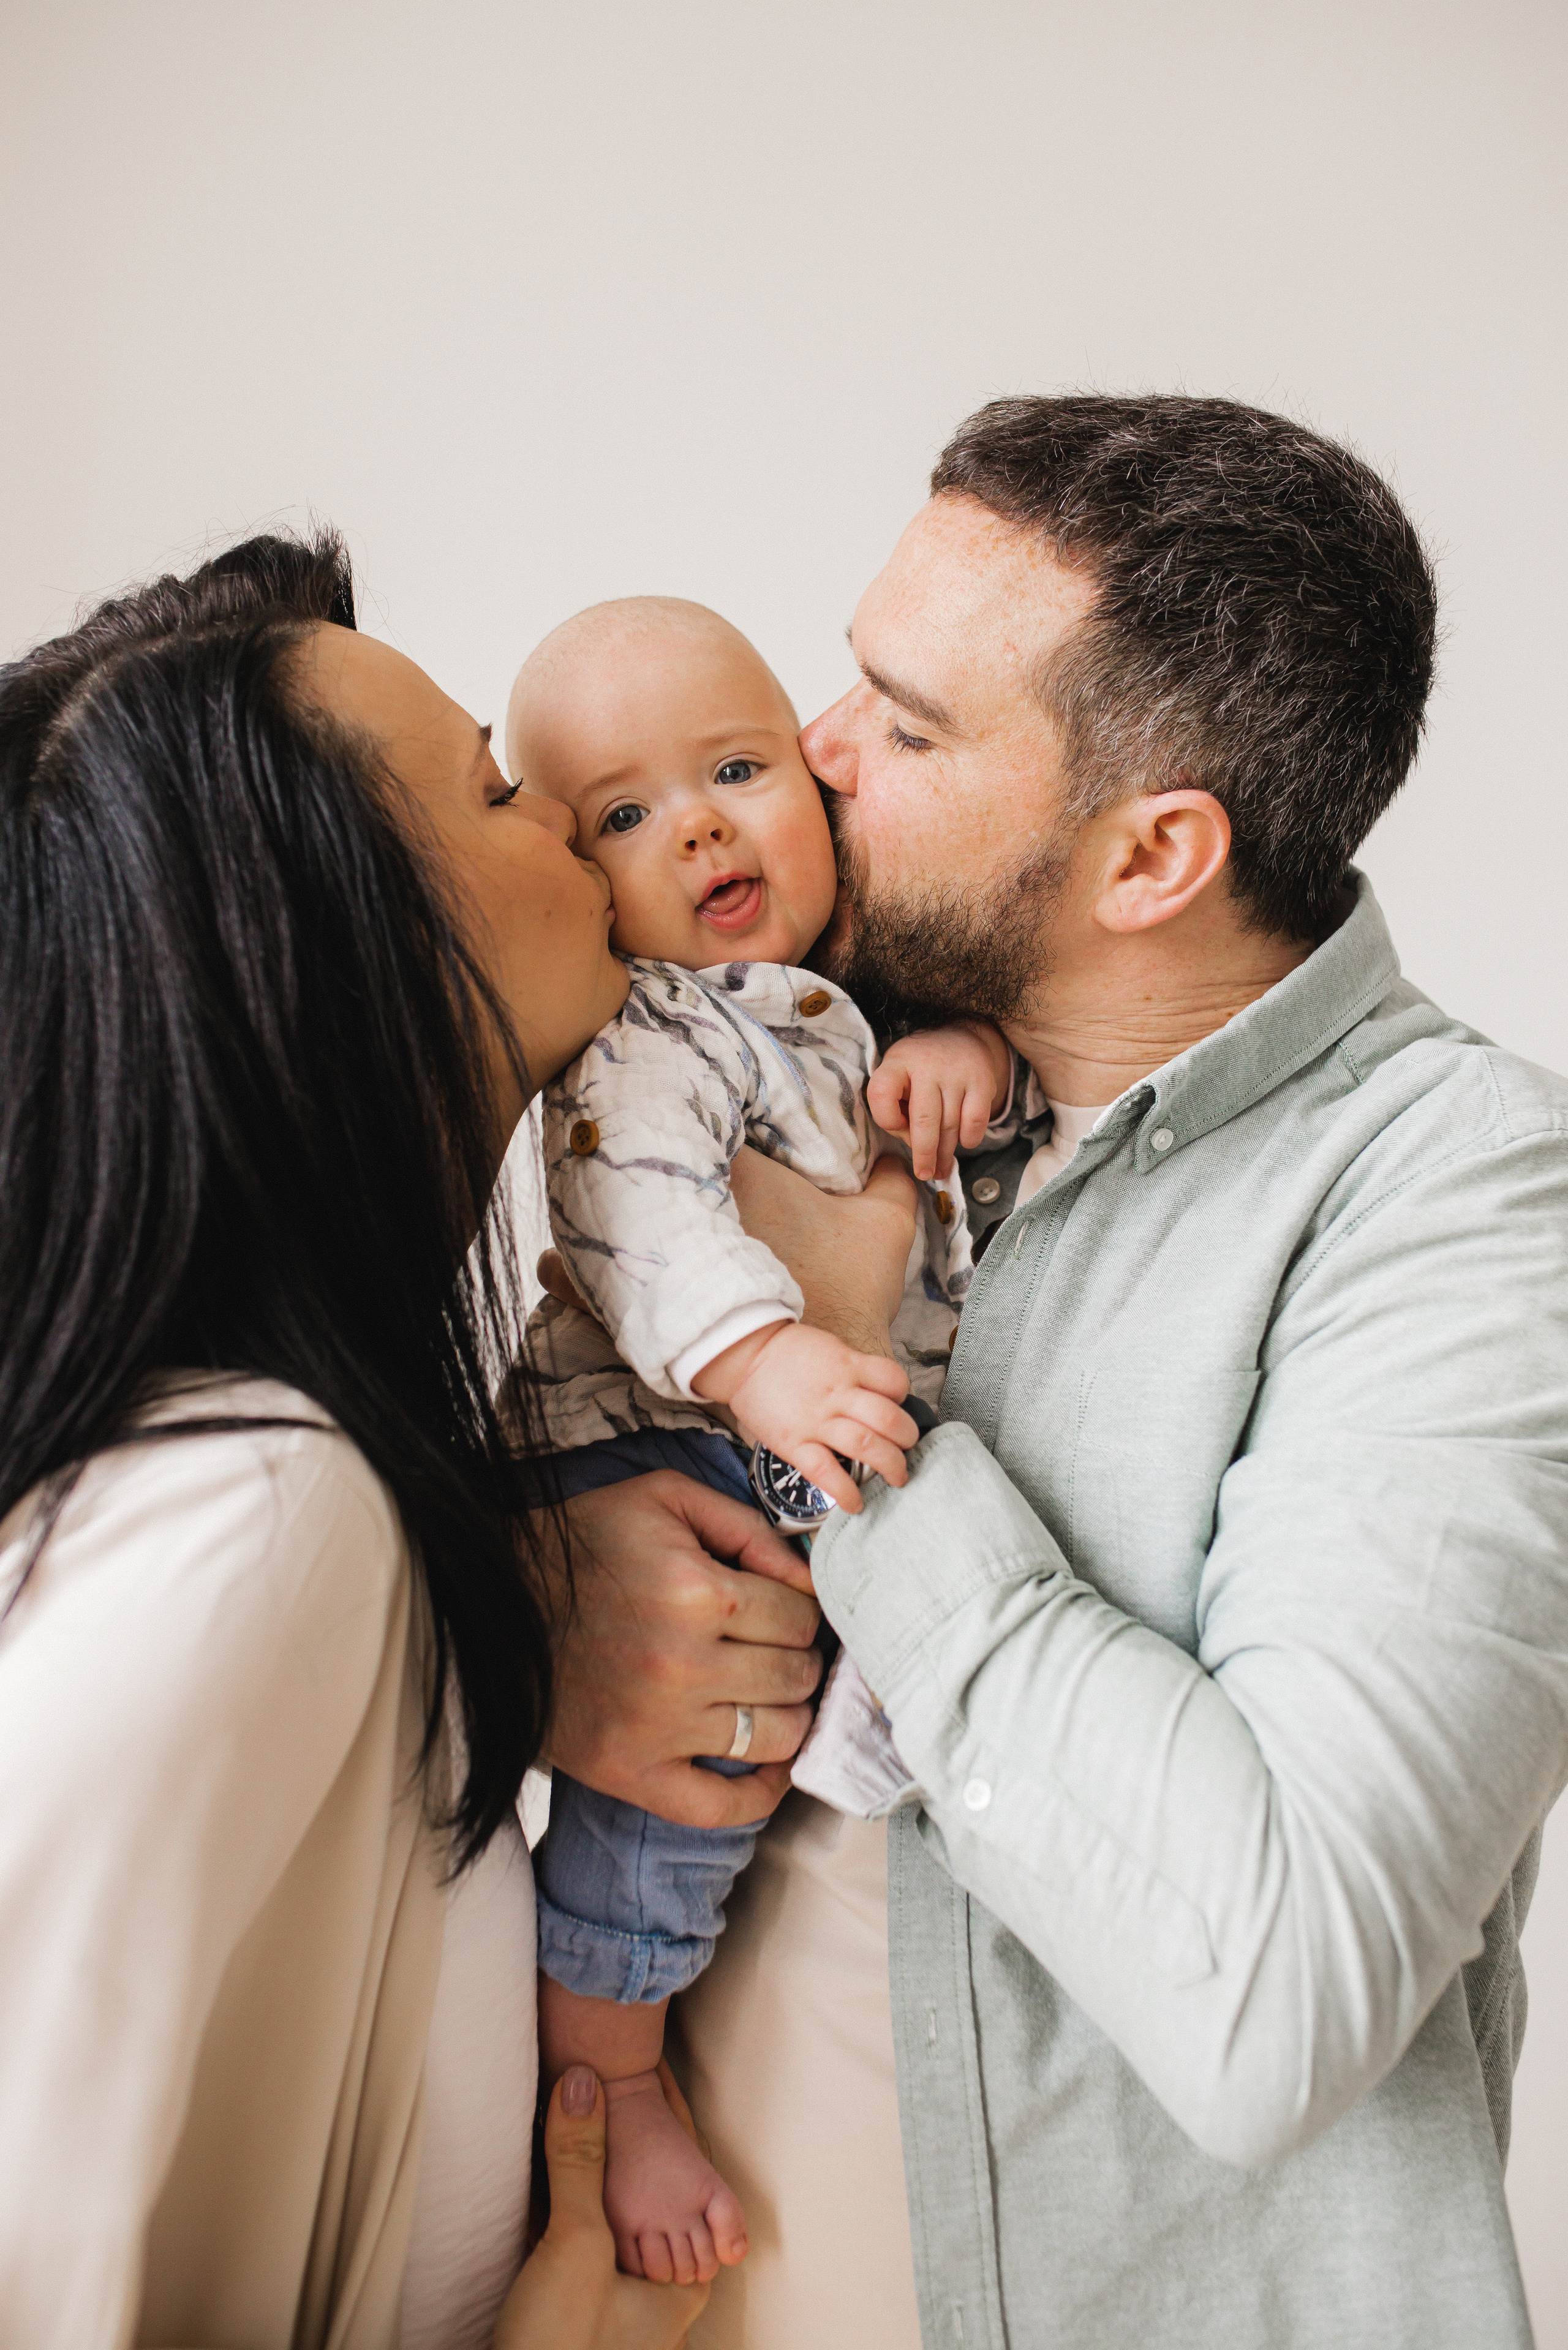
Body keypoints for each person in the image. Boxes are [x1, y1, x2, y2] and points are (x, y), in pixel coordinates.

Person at [668, 395, 1568, 2350]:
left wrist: (848, 1414)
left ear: (1155, 854)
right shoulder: (802, 1070)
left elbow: (1280, 1994)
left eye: (907, 731)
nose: (815, 756)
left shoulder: (1470, 1199)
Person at [0, 532, 854, 2350]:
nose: (566, 822)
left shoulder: (319, 1464)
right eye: (499, 791)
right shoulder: (252, 1510)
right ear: (340, 946)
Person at [502, 597, 1006, 2286]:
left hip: (793, 1432)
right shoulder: (642, 1039)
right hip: (661, 1425)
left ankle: (861, 1712)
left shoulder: (842, 993)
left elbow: (923, 1099)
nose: (702, 824)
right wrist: (768, 1354)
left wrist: (956, 1051)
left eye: (735, 767)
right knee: (679, 1794)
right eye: (626, 815)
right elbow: (636, 1214)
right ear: (587, 884)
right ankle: (615, 2078)